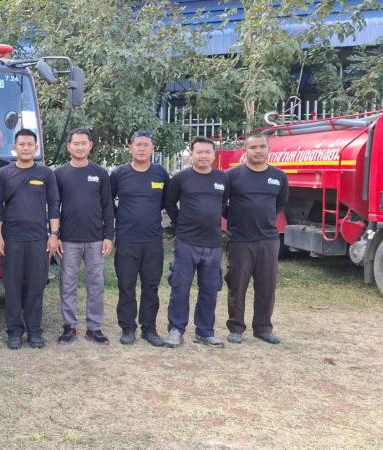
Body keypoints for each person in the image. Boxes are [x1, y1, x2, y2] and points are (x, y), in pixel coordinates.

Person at [0, 129, 60, 350]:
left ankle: (34, 332)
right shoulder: (3, 174)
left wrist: (53, 235)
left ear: (36, 148)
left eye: (30, 144)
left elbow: (54, 206)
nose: (25, 148)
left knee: (35, 287)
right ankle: (14, 332)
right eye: (21, 144)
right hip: (12, 239)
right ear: (14, 147)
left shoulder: (46, 174)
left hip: (38, 239)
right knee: (12, 287)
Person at [163, 137, 229, 348]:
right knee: (180, 287)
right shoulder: (180, 179)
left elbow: (223, 204)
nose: (203, 156)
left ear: (214, 155)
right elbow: (169, 203)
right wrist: (179, 223)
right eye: (199, 152)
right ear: (191, 155)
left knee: (210, 289)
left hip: (213, 243)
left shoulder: (222, 178)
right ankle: (176, 329)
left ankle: (205, 331)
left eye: (207, 152)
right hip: (186, 242)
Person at [225, 133, 289, 344]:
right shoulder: (232, 176)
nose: (258, 151)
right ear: (245, 150)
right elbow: (220, 203)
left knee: (266, 286)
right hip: (240, 240)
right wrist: (234, 219)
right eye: (253, 147)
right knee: (237, 286)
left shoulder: (279, 176)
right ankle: (236, 328)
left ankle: (263, 328)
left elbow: (280, 204)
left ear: (269, 149)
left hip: (268, 240)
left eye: (262, 146)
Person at [53, 128, 114, 345]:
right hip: (68, 240)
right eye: (76, 143)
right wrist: (56, 235)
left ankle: (94, 327)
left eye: (83, 143)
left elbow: (108, 207)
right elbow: (54, 207)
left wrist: (109, 236)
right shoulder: (59, 174)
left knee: (96, 283)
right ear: (69, 146)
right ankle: (69, 326)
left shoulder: (100, 173)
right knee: (67, 283)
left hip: (96, 239)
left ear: (90, 145)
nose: (80, 147)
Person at [110, 131, 169, 347]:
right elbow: (108, 202)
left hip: (153, 240)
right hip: (127, 240)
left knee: (151, 286)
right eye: (138, 144)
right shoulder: (119, 174)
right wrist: (123, 217)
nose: (142, 148)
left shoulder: (160, 173)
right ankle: (127, 328)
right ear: (130, 148)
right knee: (126, 285)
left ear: (153, 149)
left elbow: (165, 201)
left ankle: (149, 328)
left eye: (146, 145)